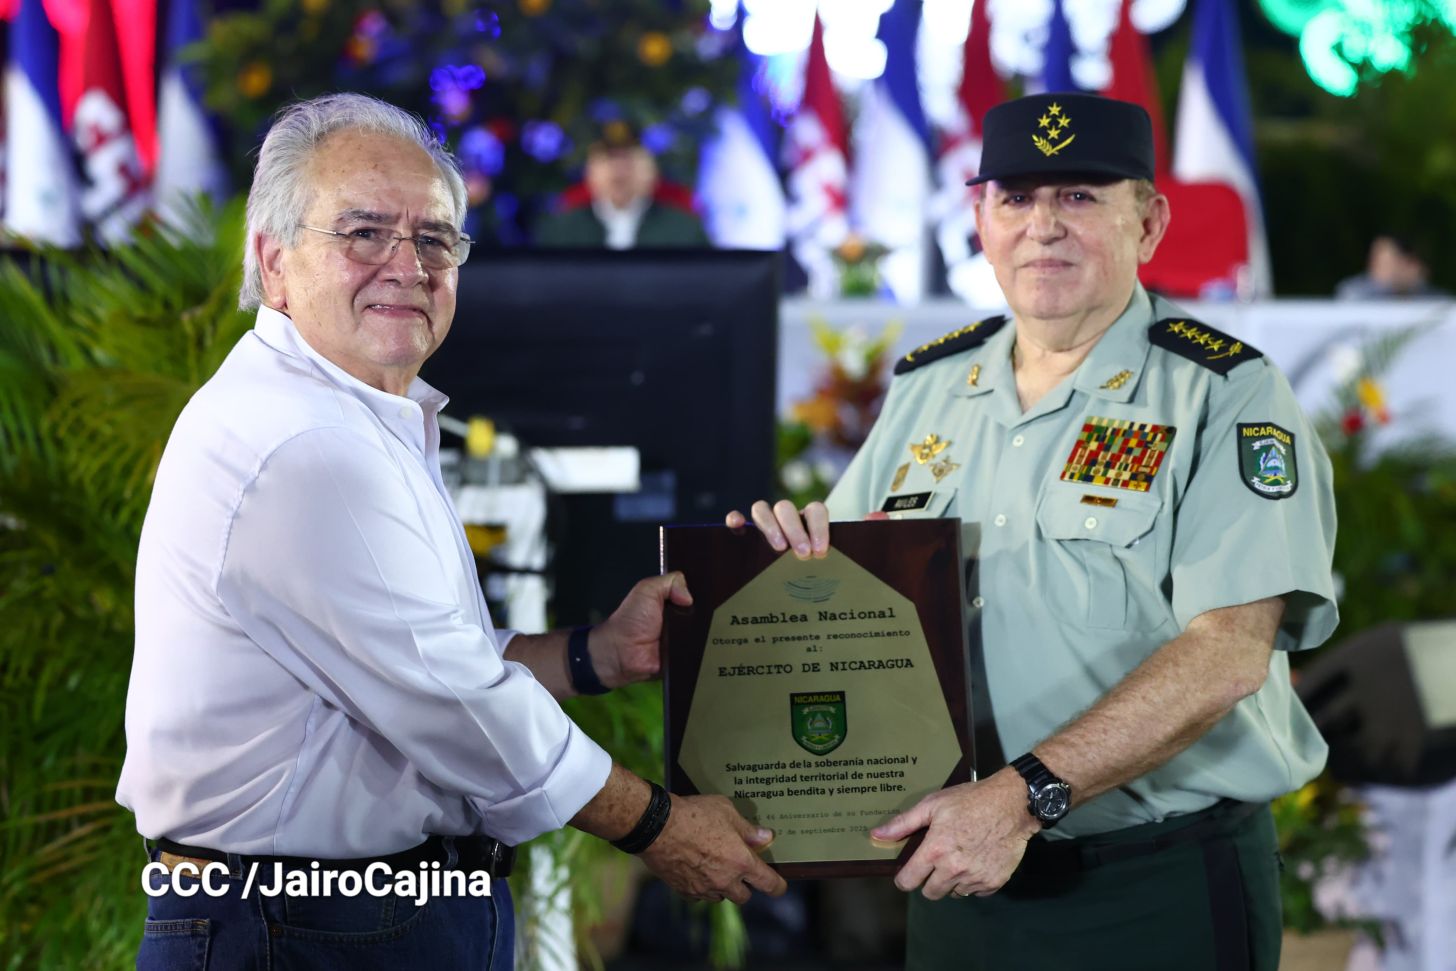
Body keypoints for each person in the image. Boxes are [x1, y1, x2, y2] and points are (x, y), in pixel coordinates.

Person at [117, 92, 783, 970]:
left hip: (338, 915)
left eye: (433, 239)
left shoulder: (354, 414)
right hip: (301, 927)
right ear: (272, 263)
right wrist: (659, 824)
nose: (407, 265)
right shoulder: (305, 443)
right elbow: (457, 704)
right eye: (362, 233)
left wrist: (596, 654)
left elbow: (438, 659)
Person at [729, 93, 1338, 970]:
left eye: (1081, 197)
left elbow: (1228, 654)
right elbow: (852, 609)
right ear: (980, 219)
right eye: (1016, 199)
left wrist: (1023, 796)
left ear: (1149, 222)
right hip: (960, 883)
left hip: (1154, 889)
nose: (1043, 226)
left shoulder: (1225, 394)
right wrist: (773, 573)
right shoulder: (927, 389)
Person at [533, 123, 708, 248]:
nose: (619, 170)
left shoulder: (684, 230)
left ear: (651, 169)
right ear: (590, 170)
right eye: (608, 159)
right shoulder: (560, 231)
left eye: (629, 158)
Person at [1334, 233, 1448, 300]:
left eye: (1383, 262)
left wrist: (1415, 286)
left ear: (1405, 262)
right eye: (1374, 259)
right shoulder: (1354, 290)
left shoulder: (1426, 292)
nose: (1373, 265)